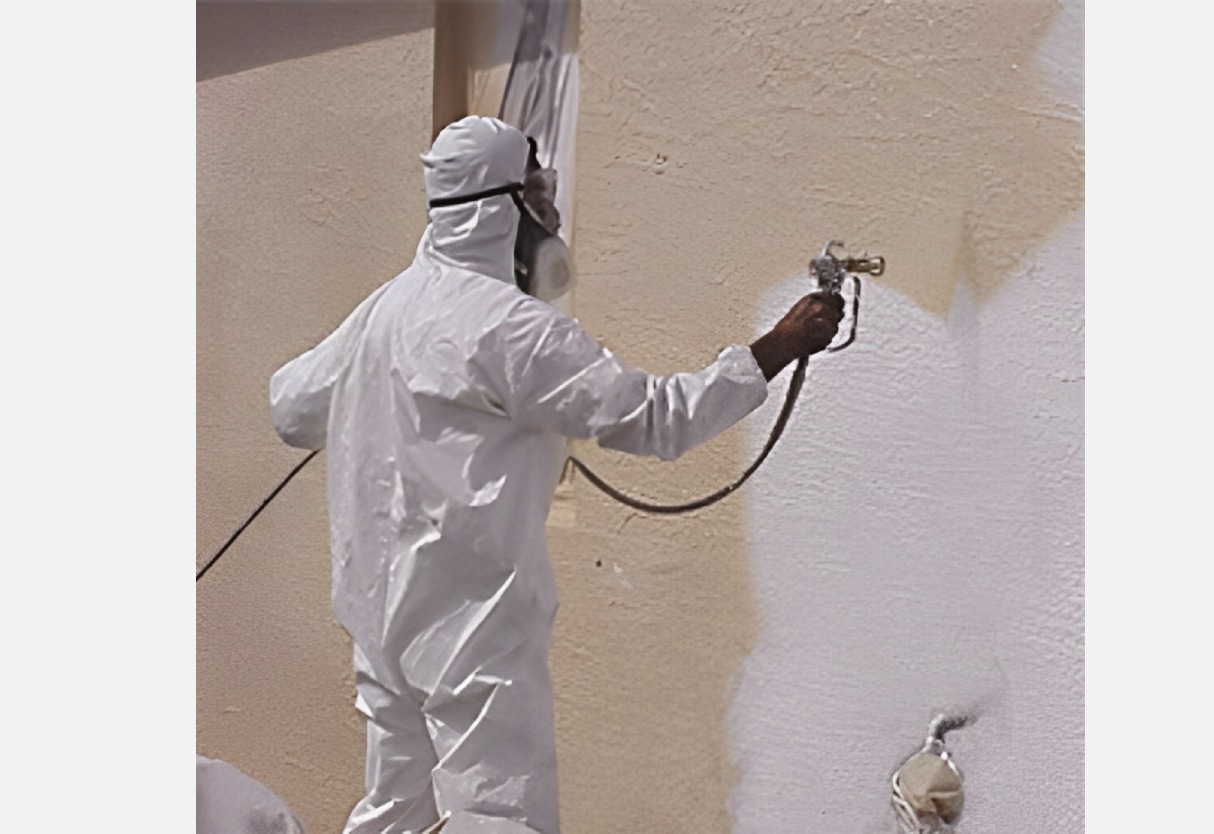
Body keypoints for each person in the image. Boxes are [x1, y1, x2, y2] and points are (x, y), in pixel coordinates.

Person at [269, 116, 843, 834]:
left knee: (394, 816)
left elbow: (289, 407)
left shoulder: (385, 311)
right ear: (494, 206)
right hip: (470, 629)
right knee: (498, 816)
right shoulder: (511, 328)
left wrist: (377, 395)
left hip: (378, 620)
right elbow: (657, 418)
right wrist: (781, 344)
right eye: (537, 192)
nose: (551, 210)